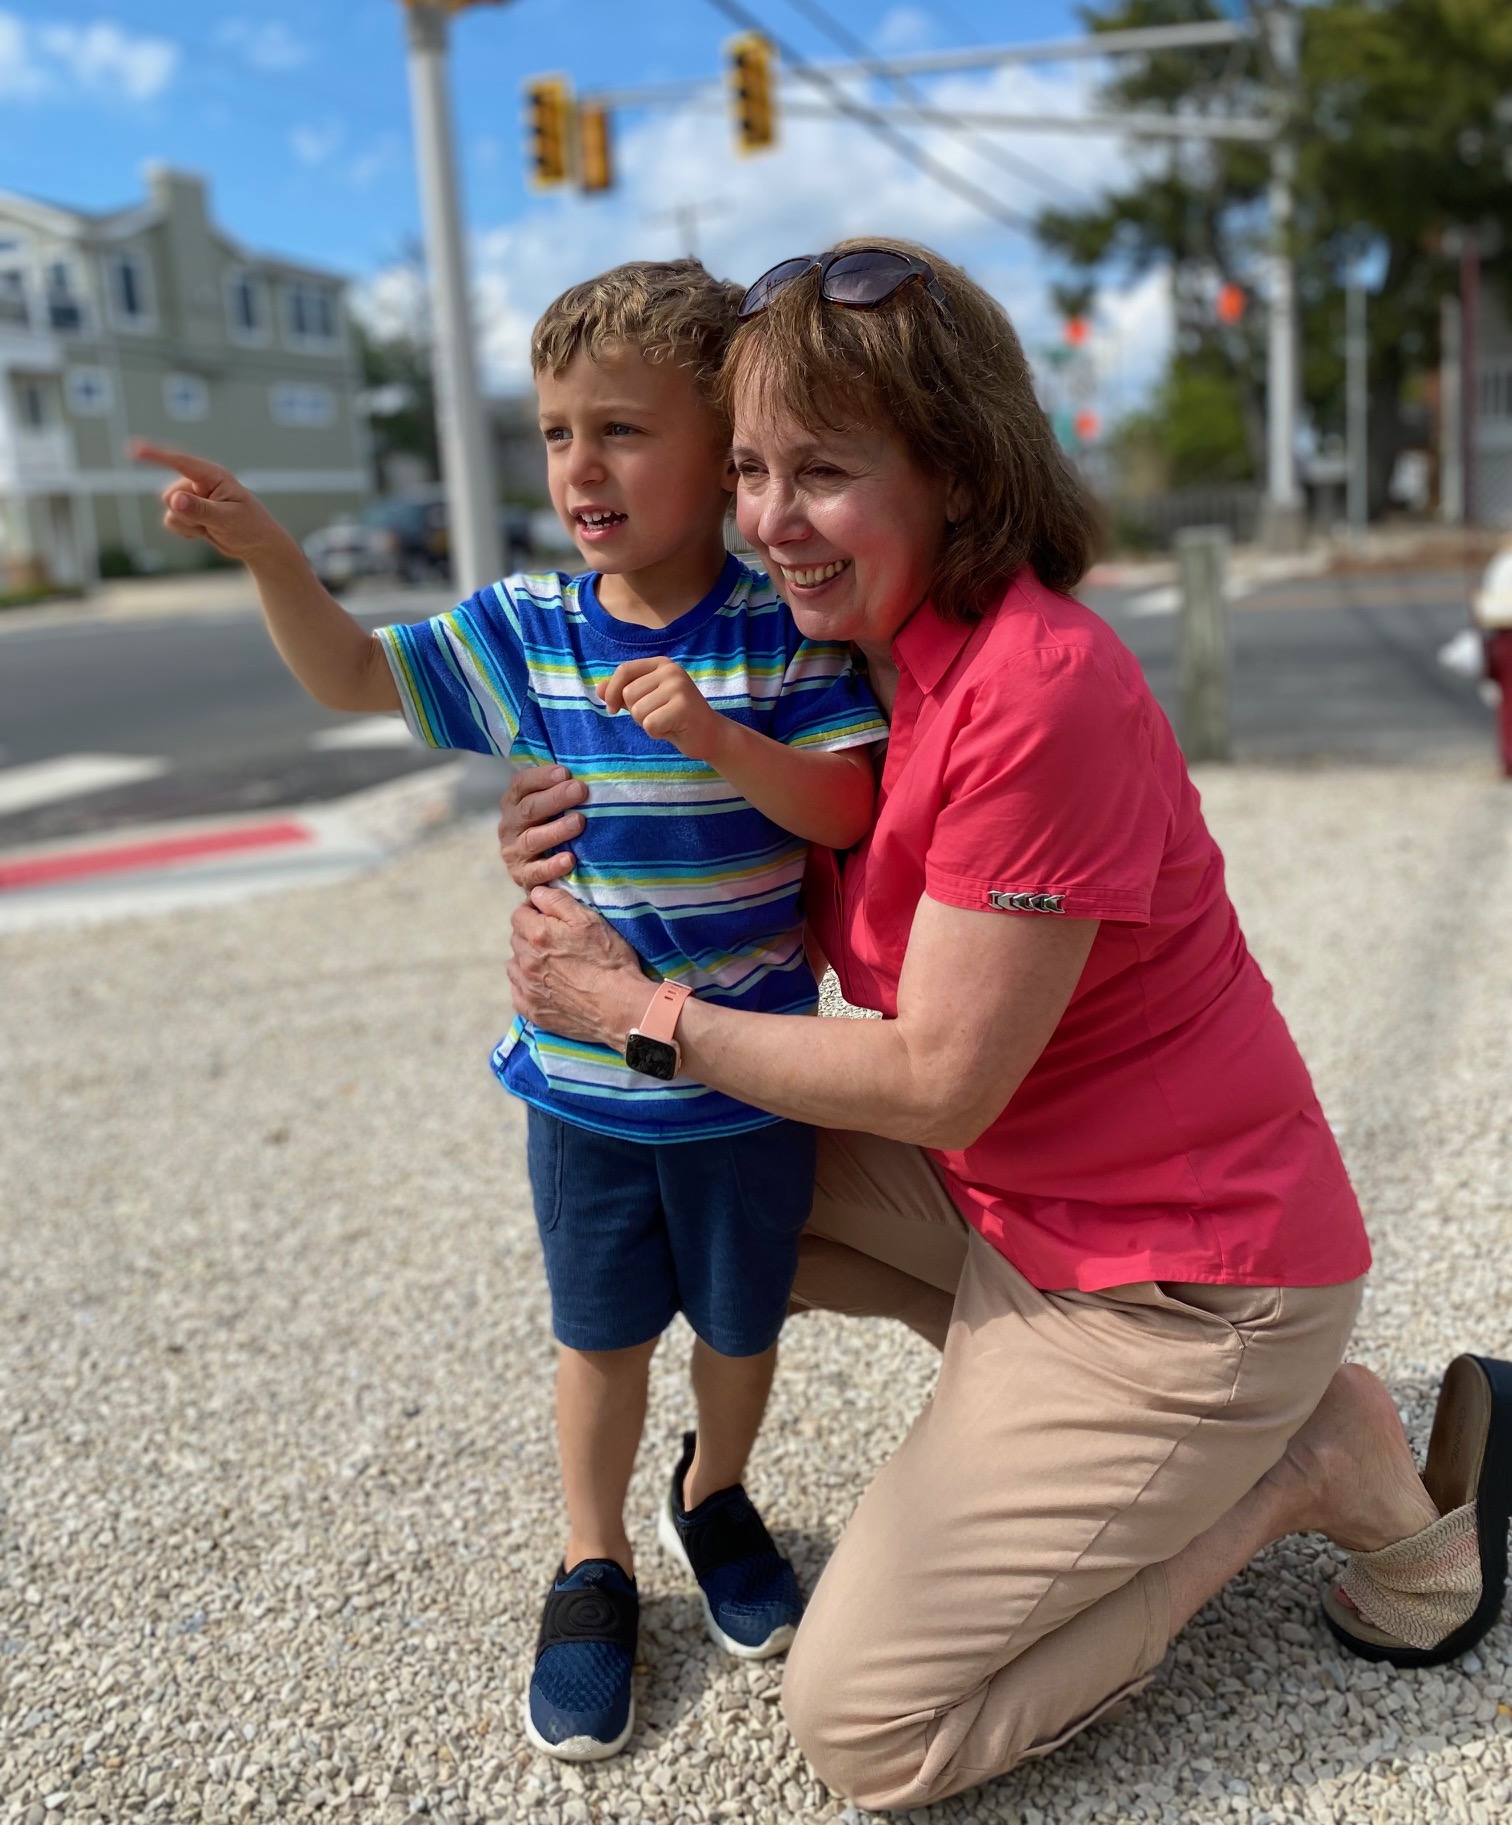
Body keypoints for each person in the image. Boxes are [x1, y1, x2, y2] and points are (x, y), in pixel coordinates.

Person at [500, 240, 1512, 1810]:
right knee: (701, 1195)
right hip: (1026, 1206)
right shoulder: (871, 664)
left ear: (960, 477)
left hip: (1184, 1283)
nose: (770, 519)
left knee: (866, 1729)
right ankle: (1076, 1429)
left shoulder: (1037, 691)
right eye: (754, 467)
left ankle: (1295, 1464)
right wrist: (558, 829)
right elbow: (730, 838)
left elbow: (939, 1076)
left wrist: (640, 1014)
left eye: (823, 471)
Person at [129, 258, 888, 1767]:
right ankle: (593, 1560)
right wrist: (272, 553)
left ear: (717, 439)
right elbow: (354, 674)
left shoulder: (781, 630)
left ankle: (713, 1495)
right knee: (598, 1335)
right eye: (555, 432)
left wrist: (720, 735)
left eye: (622, 429)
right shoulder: (529, 628)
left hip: (746, 1080)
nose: (580, 467)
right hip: (581, 1084)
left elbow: (848, 802)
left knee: (742, 1325)